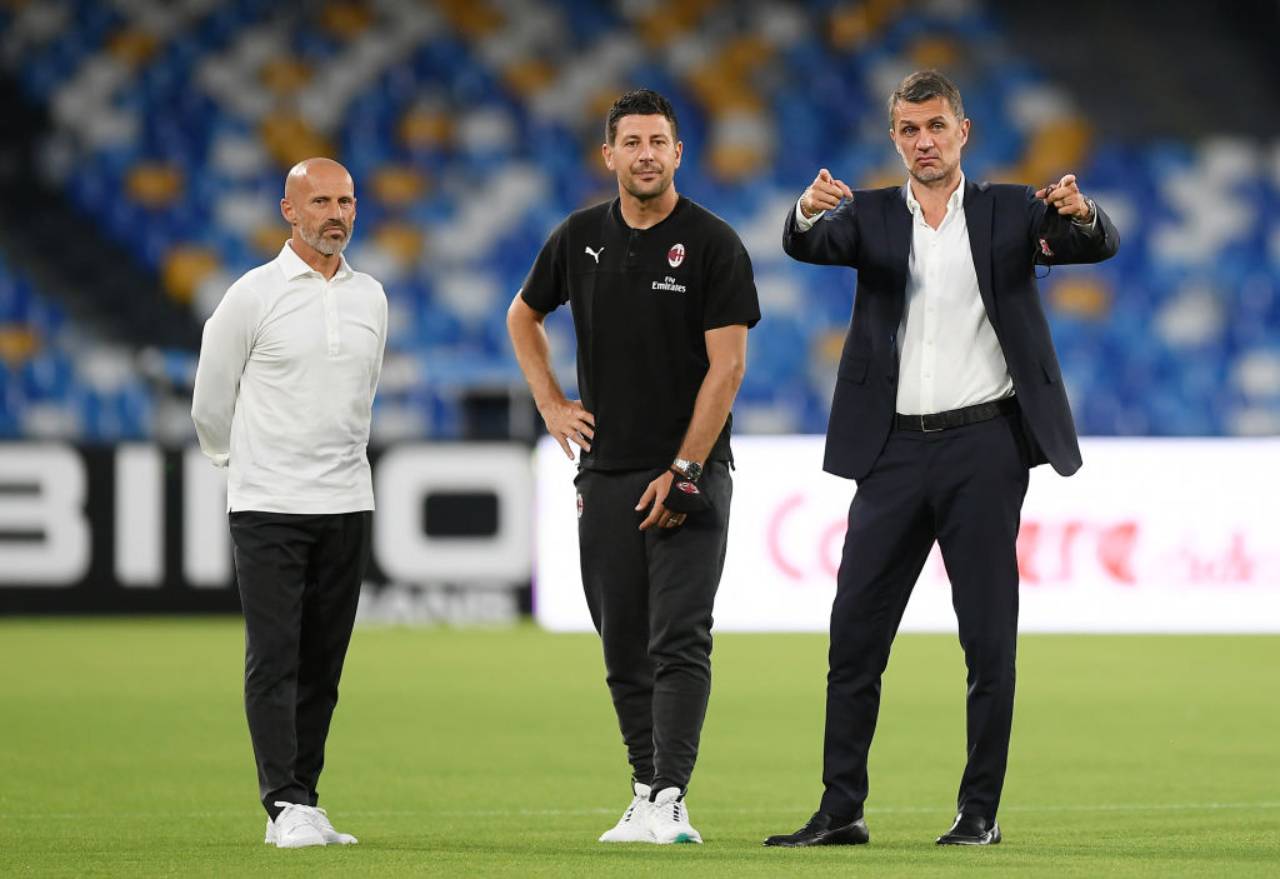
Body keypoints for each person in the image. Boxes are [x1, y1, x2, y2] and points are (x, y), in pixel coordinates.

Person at [763, 70, 1119, 848]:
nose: (923, 141)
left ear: (964, 132)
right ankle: (840, 809)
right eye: (909, 129)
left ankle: (978, 814)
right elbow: (806, 244)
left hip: (984, 447)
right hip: (889, 451)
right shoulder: (872, 216)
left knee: (988, 641)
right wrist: (804, 210)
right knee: (854, 636)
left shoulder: (1013, 210)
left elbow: (1093, 243)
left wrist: (1082, 212)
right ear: (894, 138)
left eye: (936, 126)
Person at [507, 89, 759, 845]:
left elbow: (729, 366)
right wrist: (551, 402)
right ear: (608, 154)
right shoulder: (579, 236)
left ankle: (673, 797)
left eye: (660, 142)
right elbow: (524, 315)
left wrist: (685, 465)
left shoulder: (714, 244)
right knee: (621, 642)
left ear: (679, 154)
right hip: (606, 471)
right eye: (633, 142)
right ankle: (645, 788)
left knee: (677, 636)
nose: (646, 154)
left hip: (691, 472)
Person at [191, 157, 387, 849]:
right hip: (269, 503)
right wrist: (237, 464)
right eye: (322, 201)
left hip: (346, 500)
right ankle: (281, 802)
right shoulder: (250, 295)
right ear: (289, 210)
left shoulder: (372, 297)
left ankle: (306, 797)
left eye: (346, 200)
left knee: (322, 663)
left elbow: (362, 394)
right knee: (274, 656)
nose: (337, 213)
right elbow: (210, 398)